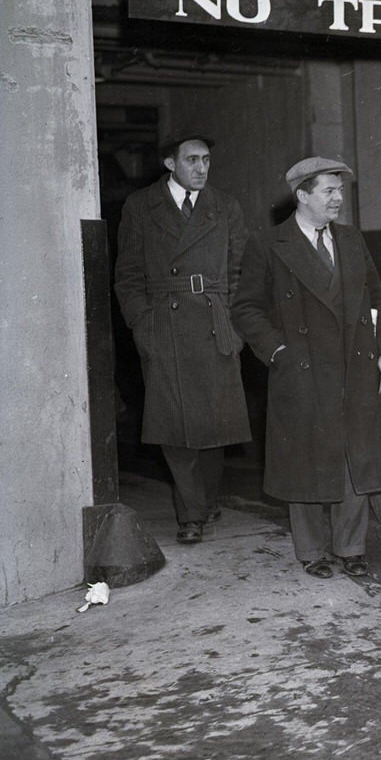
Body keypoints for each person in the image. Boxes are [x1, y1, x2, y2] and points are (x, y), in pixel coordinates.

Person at [231, 157, 381, 579]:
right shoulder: (270, 244)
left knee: (354, 458)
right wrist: (278, 352)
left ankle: (352, 547)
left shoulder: (351, 239)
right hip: (302, 368)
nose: (338, 199)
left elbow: (376, 300)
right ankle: (311, 550)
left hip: (353, 364)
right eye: (329, 191)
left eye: (340, 191)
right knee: (304, 460)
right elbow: (247, 308)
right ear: (302, 195)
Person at [114, 134, 251, 545]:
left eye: (206, 160)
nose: (202, 168)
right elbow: (128, 276)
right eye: (192, 160)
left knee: (215, 427)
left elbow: (241, 270)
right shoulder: (141, 206)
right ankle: (190, 514)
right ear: (170, 164)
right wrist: (144, 325)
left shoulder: (225, 207)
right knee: (174, 427)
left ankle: (205, 501)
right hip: (165, 327)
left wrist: (235, 325)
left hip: (214, 323)